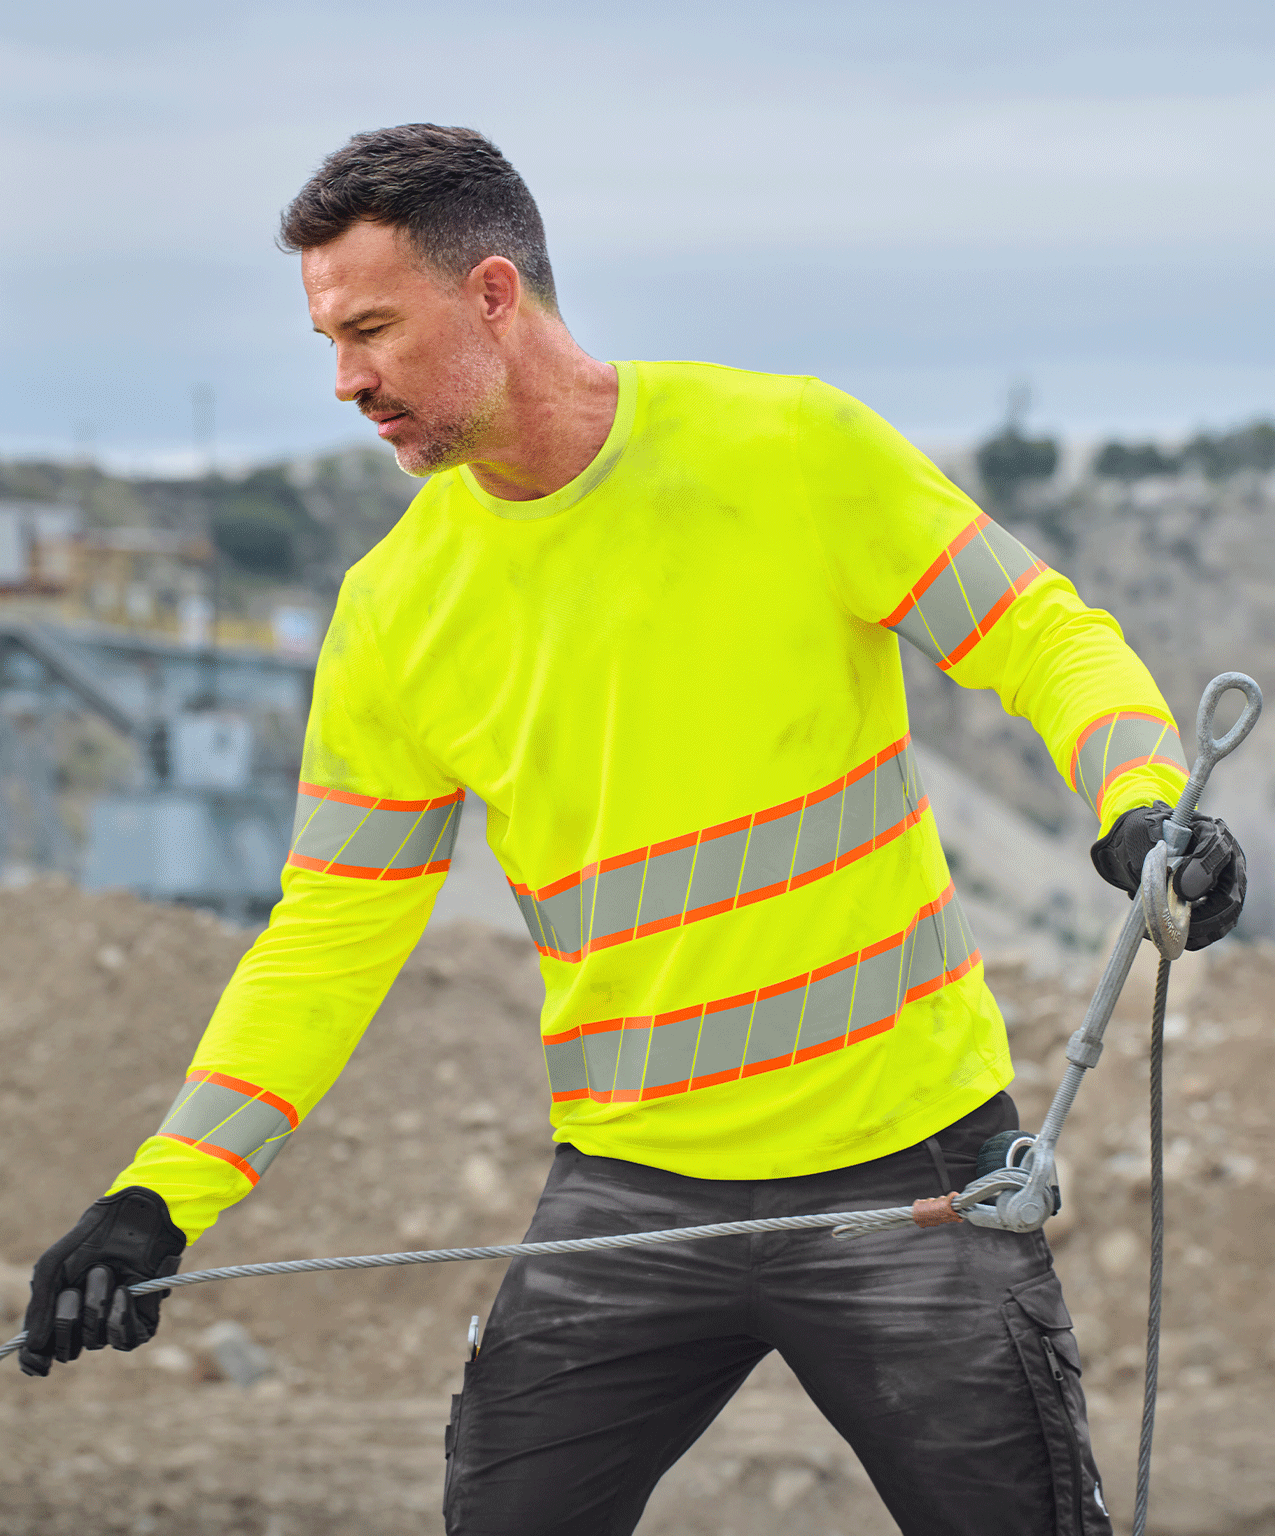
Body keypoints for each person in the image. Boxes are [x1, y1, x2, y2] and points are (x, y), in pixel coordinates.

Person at [22, 126, 1246, 1536]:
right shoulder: (390, 612)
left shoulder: (787, 445)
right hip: (629, 1193)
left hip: (912, 1172)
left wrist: (1138, 801)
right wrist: (159, 1196)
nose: (345, 380)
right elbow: (326, 933)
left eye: (369, 329)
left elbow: (1039, 634)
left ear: (493, 295)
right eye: (327, 340)